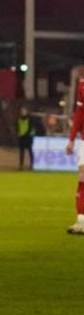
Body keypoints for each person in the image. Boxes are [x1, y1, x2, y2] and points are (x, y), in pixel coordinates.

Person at [65, 77, 84, 235]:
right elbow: (79, 112)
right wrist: (71, 139)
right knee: (83, 180)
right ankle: (81, 221)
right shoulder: (82, 84)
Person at [17, 106, 34, 171]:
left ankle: (32, 165)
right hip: (21, 138)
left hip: (28, 138)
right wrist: (18, 133)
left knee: (30, 151)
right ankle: (21, 165)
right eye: (22, 111)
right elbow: (17, 127)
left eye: (24, 111)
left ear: (26, 112)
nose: (23, 112)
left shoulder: (29, 119)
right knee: (21, 152)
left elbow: (31, 128)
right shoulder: (19, 119)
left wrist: (26, 134)